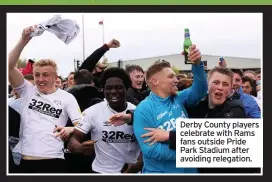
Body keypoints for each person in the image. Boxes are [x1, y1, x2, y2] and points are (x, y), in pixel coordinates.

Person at [8, 25, 82, 173]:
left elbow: (82, 125)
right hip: (26, 160)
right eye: (37, 75)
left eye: (46, 75)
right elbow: (8, 67)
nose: (40, 79)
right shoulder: (27, 91)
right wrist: (23, 40)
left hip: (54, 161)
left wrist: (70, 129)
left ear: (55, 77)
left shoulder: (67, 97)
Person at [133, 44, 207, 173]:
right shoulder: (143, 109)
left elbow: (200, 89)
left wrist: (197, 64)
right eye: (171, 76)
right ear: (155, 81)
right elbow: (151, 150)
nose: (176, 80)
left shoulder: (178, 98)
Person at [68, 68, 142, 174]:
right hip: (101, 172)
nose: (113, 92)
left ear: (126, 89)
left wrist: (136, 166)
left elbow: (148, 145)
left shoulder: (138, 111)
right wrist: (80, 147)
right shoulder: (92, 112)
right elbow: (73, 140)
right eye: (108, 88)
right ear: (103, 90)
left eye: (118, 87)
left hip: (132, 173)